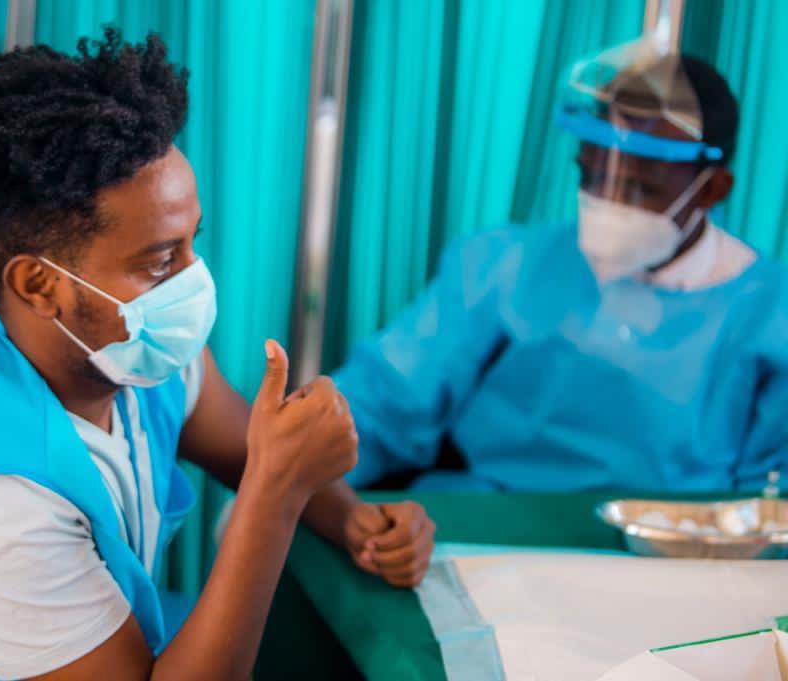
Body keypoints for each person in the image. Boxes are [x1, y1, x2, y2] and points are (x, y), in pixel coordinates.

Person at [0, 30, 434, 680]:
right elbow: (266, 475)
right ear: (39, 286)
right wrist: (279, 491)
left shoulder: (134, 348)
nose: (194, 281)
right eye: (161, 261)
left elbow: (241, 444)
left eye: (191, 243)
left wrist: (355, 521)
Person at [335, 38, 788, 494]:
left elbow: (768, 502)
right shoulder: (503, 267)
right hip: (487, 519)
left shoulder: (768, 315)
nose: (606, 204)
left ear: (712, 189)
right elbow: (380, 405)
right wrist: (307, 472)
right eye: (592, 178)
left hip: (673, 537)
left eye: (638, 188)